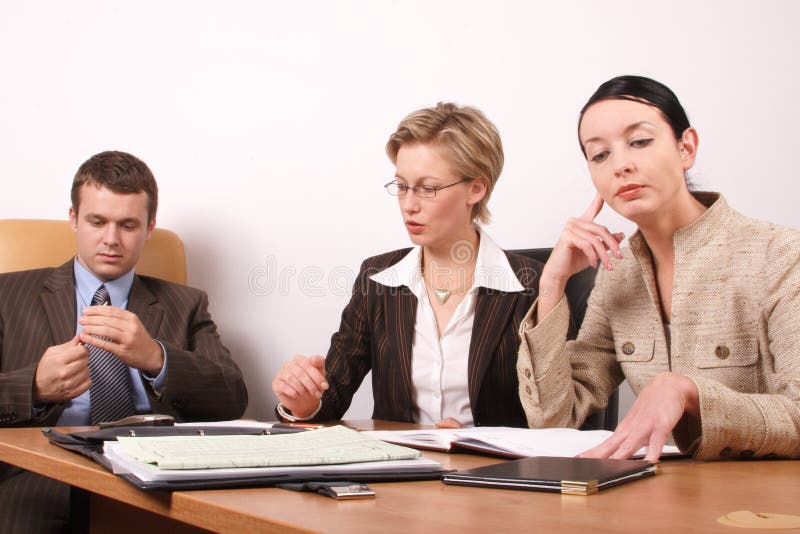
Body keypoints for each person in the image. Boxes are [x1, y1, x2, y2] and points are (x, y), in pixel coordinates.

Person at [517, 75, 800, 461]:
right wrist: (553, 282)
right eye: (600, 155)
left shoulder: (779, 255)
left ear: (686, 148)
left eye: (639, 142)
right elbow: (553, 418)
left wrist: (688, 392)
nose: (621, 165)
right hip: (657, 499)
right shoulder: (617, 273)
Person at [0, 150, 248, 533]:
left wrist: (156, 358)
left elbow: (232, 397)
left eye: (128, 225)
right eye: (97, 222)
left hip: (155, 478)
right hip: (40, 473)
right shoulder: (8, 293)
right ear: (73, 219)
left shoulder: (185, 303)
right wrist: (33, 386)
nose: (111, 240)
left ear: (149, 228)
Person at [272, 102, 542, 428]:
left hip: (491, 476)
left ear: (476, 188)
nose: (409, 205)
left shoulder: (534, 286)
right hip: (400, 473)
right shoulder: (377, 278)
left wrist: (479, 441)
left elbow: (555, 417)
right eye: (401, 186)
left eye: (428, 188)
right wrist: (304, 403)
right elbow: (333, 396)